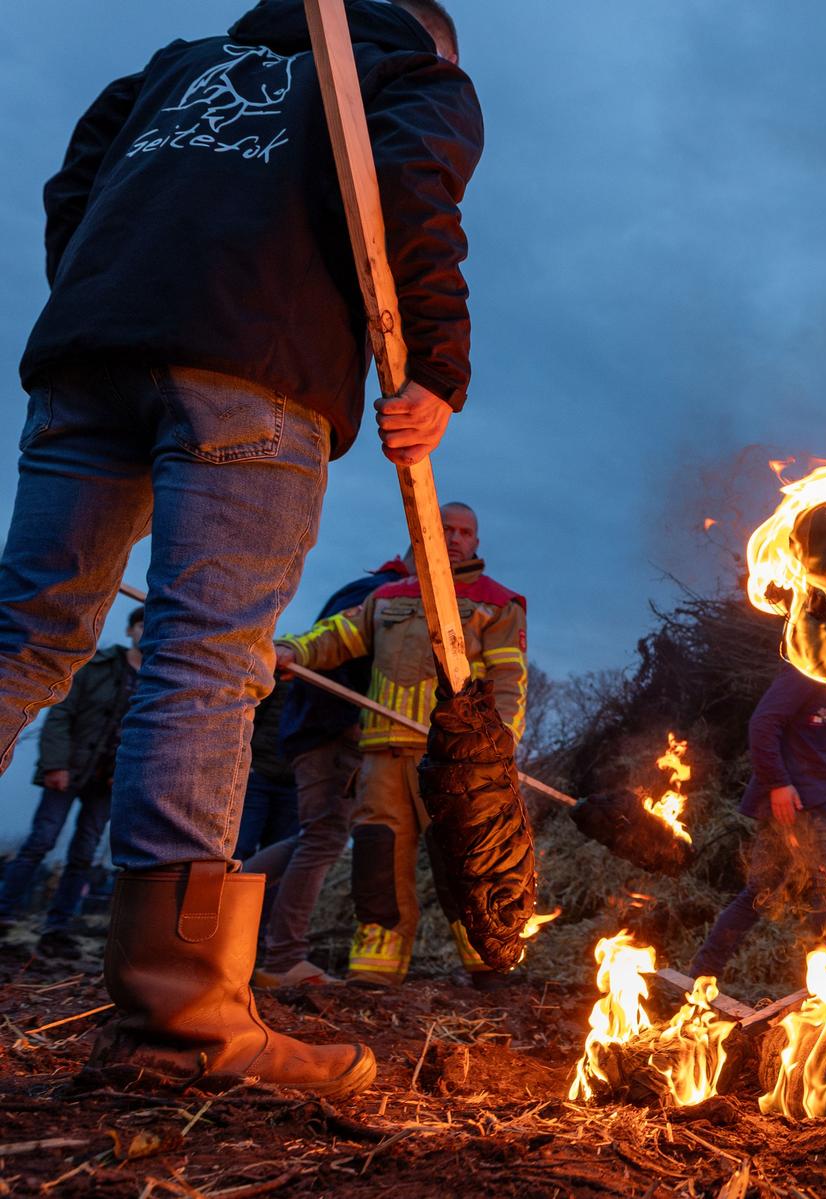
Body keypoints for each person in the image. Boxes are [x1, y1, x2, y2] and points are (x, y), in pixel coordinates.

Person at [0, 0, 479, 1096]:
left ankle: (178, 999)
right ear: (422, 33)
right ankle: (181, 1023)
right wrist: (436, 366)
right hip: (256, 365)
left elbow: (76, 180)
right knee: (208, 655)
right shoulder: (414, 72)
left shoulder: (179, 66)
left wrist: (111, 297)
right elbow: (415, 193)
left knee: (23, 633)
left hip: (93, 355)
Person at [275, 504, 524, 991]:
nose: (454, 538)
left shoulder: (498, 603)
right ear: (425, 533)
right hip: (382, 755)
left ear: (477, 542)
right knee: (378, 856)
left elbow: (510, 680)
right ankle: (376, 968)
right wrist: (291, 650)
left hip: (458, 762)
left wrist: (501, 746)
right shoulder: (387, 597)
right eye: (446, 529)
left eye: (465, 532)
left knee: (469, 858)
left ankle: (489, 960)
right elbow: (334, 637)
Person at [244, 554, 408, 987]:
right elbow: (331, 648)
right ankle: (282, 960)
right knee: (324, 837)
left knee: (315, 835)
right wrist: (352, 718)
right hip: (329, 730)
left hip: (327, 730)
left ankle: (221, 904)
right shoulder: (377, 594)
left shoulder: (389, 595)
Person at [689, 664, 826, 982]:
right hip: (799, 804)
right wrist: (777, 782)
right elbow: (762, 724)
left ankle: (703, 973)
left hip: (817, 803)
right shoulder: (803, 675)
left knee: (758, 891)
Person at [0, 607, 142, 957]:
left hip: (108, 782)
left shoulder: (157, 680)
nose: (148, 631)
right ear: (130, 629)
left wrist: (124, 777)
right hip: (68, 771)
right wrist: (55, 765)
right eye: (143, 624)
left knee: (84, 853)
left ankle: (58, 928)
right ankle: (4, 916)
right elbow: (61, 715)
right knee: (40, 842)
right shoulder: (97, 665)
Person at [232, 680, 297, 861]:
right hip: (258, 774)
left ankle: (260, 890)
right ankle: (225, 888)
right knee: (238, 847)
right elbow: (251, 716)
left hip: (295, 783)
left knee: (277, 858)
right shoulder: (280, 677)